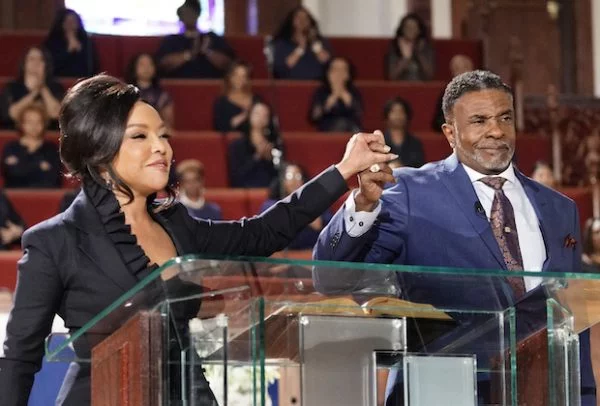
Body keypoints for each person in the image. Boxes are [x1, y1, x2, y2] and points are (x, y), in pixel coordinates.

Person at [0, 73, 397, 406]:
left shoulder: (178, 225)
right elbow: (19, 359)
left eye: (163, 134)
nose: (162, 147)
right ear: (98, 150)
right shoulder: (54, 241)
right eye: (140, 136)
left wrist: (344, 168)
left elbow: (264, 232)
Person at [313, 70, 588, 404]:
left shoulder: (561, 209)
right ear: (450, 133)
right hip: (439, 391)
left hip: (540, 393)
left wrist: (583, 396)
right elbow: (330, 276)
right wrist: (362, 205)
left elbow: (573, 323)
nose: (496, 131)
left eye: (505, 118)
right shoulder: (410, 191)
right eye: (479, 121)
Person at [260, 163, 332, 249]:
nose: (294, 181)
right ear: (283, 181)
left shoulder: (315, 201)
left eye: (298, 176)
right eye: (290, 177)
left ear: (303, 181)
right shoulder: (271, 204)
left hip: (310, 249)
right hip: (281, 251)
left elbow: (319, 225)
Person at [156, 0, 234, 78]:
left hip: (210, 83)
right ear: (180, 17)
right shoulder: (171, 40)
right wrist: (188, 54)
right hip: (178, 84)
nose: (190, 16)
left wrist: (207, 52)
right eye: (186, 13)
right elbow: (162, 66)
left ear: (198, 13)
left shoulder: (211, 38)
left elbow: (228, 65)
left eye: (192, 12)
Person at [0, 47, 64, 130]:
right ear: (24, 64)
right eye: (31, 59)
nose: (36, 63)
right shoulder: (12, 88)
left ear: (46, 65)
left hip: (48, 135)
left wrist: (42, 88)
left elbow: (56, 114)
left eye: (41, 59)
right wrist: (35, 92)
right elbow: (12, 114)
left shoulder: (55, 88)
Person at [1, 104, 61, 188]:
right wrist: (39, 166)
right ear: (22, 124)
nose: (34, 126)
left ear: (44, 124)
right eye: (30, 122)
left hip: (43, 192)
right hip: (15, 192)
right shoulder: (11, 148)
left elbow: (53, 179)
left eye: (38, 122)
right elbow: (11, 174)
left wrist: (21, 164)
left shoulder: (51, 149)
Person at [228, 102, 280, 188]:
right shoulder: (238, 145)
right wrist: (257, 156)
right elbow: (236, 176)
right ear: (250, 116)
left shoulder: (275, 143)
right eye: (257, 114)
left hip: (270, 188)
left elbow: (280, 173)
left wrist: (270, 158)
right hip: (246, 187)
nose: (261, 118)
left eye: (265, 115)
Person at [272, 6, 332, 80]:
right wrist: (301, 48)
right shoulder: (282, 43)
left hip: (317, 82)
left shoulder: (319, 41)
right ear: (291, 21)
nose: (302, 21)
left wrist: (314, 43)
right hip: (292, 83)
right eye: (298, 18)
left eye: (306, 18)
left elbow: (327, 62)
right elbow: (283, 67)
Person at [310, 57, 362, 132]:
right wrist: (329, 102)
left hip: (351, 127)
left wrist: (348, 100)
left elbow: (358, 115)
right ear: (328, 73)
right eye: (335, 69)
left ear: (348, 74)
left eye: (343, 70)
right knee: (341, 123)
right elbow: (314, 117)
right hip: (328, 127)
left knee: (351, 126)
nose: (339, 73)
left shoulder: (353, 91)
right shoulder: (322, 91)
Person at [44, 8, 98, 78]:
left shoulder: (87, 42)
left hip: (83, 81)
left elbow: (93, 67)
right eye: (67, 21)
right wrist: (68, 51)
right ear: (61, 23)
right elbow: (50, 67)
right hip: (59, 80)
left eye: (73, 21)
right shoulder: (52, 42)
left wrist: (81, 51)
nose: (70, 24)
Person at [125, 53, 174, 129]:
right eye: (142, 64)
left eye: (150, 64)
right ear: (134, 69)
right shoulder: (126, 94)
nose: (146, 68)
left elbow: (168, 123)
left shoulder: (162, 95)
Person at [212, 61, 261, 133]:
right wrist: (242, 117)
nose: (239, 80)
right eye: (235, 75)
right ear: (229, 77)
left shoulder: (256, 99)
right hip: (233, 139)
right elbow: (220, 128)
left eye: (243, 76)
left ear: (247, 79)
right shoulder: (221, 102)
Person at [385, 13, 435, 81]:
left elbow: (429, 76)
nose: (410, 30)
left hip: (421, 85)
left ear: (419, 30)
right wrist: (406, 58)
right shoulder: (395, 46)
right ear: (402, 29)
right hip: (401, 86)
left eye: (414, 27)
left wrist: (418, 53)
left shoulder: (425, 47)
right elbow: (392, 77)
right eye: (407, 27)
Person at [431, 54, 474, 131]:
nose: (462, 72)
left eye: (465, 68)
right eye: (457, 69)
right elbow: (438, 122)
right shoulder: (447, 94)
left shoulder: (483, 91)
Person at [382, 97, 424, 168]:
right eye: (394, 111)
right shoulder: (380, 142)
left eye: (401, 111)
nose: (397, 115)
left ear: (407, 116)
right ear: (387, 115)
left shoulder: (415, 143)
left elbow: (420, 169)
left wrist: (402, 169)